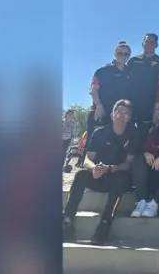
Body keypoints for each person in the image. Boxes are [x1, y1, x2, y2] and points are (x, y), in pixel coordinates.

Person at [62, 100, 139, 245]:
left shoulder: (133, 135)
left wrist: (111, 168)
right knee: (80, 175)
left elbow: (129, 164)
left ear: (129, 118)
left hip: (117, 178)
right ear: (112, 114)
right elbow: (87, 160)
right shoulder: (100, 133)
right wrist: (94, 168)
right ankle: (67, 220)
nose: (122, 116)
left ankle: (105, 223)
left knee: (121, 178)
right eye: (119, 112)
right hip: (98, 176)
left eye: (126, 114)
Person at [87, 41, 132, 143]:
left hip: (119, 116)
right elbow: (93, 90)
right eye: (120, 53)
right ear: (115, 54)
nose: (123, 56)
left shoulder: (130, 73)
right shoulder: (102, 71)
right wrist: (98, 106)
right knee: (93, 144)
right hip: (101, 112)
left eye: (126, 54)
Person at [127, 34, 159, 133]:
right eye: (147, 42)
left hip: (150, 106)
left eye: (152, 42)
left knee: (147, 135)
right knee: (130, 134)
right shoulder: (133, 61)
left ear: (156, 45)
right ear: (142, 43)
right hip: (133, 104)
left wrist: (156, 109)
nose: (149, 44)